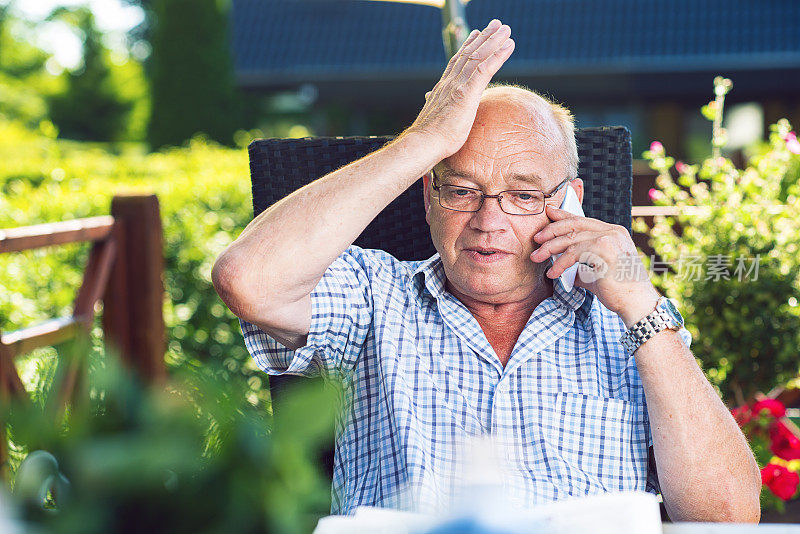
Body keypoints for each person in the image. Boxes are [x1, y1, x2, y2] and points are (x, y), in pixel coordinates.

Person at [212, 19, 761, 521]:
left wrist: (643, 308)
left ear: (570, 203)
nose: (487, 221)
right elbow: (248, 280)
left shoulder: (633, 325)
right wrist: (426, 140)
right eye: (462, 190)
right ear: (429, 196)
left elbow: (728, 519)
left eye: (522, 195)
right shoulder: (375, 294)